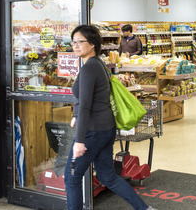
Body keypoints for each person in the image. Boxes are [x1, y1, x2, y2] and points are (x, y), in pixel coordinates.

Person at [65, 24, 153, 210]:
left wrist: (80, 141)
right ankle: (144, 209)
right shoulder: (98, 64)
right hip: (106, 129)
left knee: (72, 178)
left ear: (93, 44)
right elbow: (91, 98)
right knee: (108, 177)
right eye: (73, 42)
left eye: (80, 41)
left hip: (91, 132)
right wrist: (76, 115)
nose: (76, 45)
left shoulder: (89, 68)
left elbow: (87, 105)